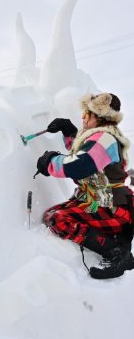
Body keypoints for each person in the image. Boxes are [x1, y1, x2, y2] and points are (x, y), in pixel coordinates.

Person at [36, 93, 134, 279]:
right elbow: (86, 151)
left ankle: (116, 252)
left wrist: (50, 161)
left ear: (99, 115)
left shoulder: (105, 139)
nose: (83, 117)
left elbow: (80, 164)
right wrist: (68, 131)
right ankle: (117, 238)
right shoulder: (103, 137)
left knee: (58, 219)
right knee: (51, 215)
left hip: (112, 205)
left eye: (87, 113)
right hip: (101, 200)